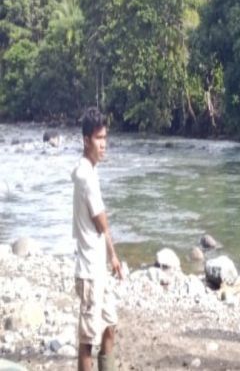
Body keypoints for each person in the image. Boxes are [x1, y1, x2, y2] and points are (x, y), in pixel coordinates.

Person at [72, 107, 123, 371]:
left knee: (110, 326)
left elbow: (102, 226)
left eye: (105, 138)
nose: (103, 145)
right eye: (98, 139)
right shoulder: (85, 176)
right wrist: (113, 255)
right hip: (90, 271)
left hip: (97, 268)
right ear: (85, 140)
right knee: (87, 340)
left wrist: (111, 258)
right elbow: (102, 223)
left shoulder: (90, 171)